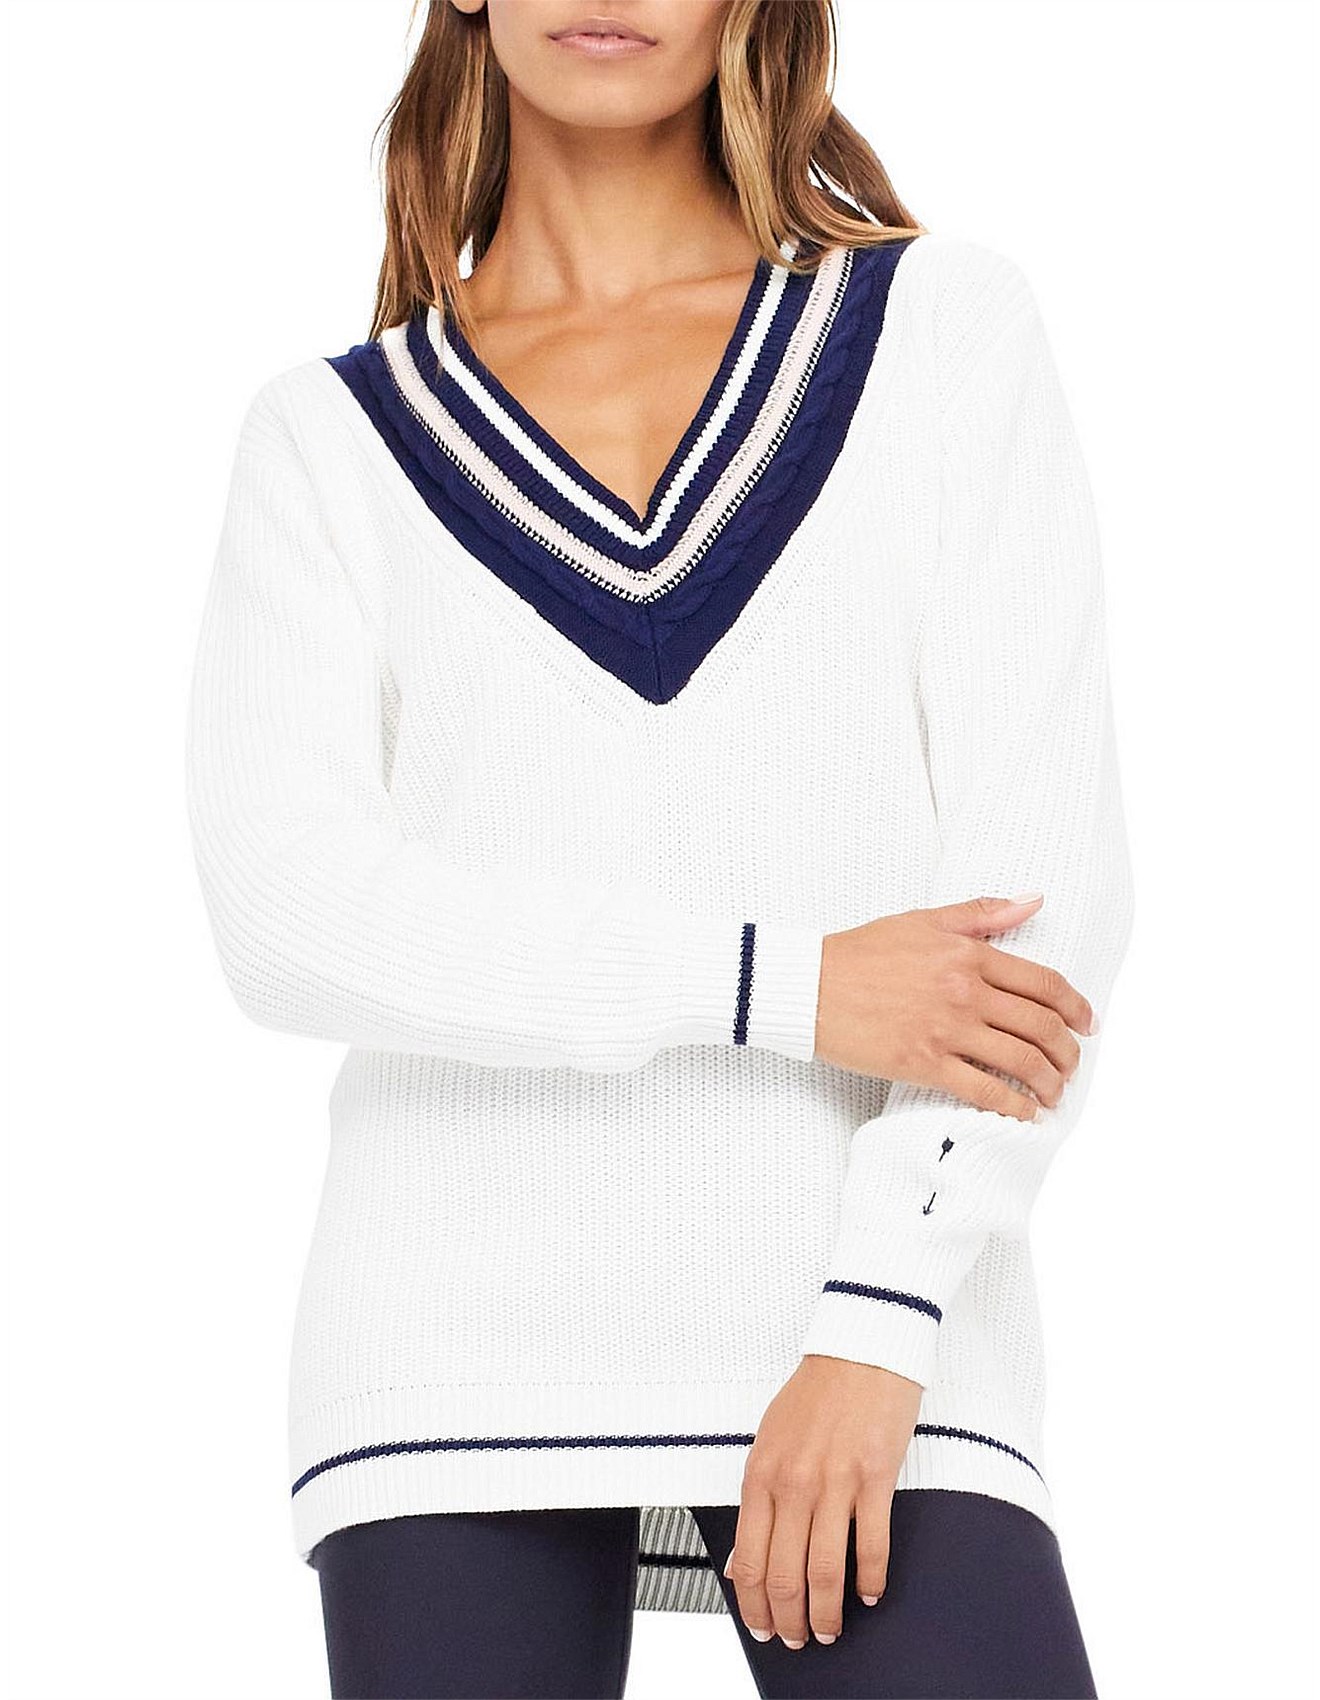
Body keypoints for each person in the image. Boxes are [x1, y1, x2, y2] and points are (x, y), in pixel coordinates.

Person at [183, 2, 1135, 1695]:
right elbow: (289, 912)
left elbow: (1038, 904)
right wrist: (789, 984)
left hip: (885, 1333)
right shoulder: (329, 440)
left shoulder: (941, 334)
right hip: (450, 1367)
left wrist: (878, 1322)